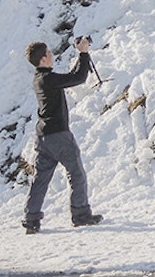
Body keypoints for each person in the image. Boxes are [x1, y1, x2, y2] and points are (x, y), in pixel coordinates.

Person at [22, 36, 103, 234]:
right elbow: (77, 78)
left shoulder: (39, 79)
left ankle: (31, 219)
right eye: (48, 54)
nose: (51, 56)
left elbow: (71, 76)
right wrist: (83, 53)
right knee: (76, 173)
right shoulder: (48, 79)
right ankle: (80, 214)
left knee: (41, 178)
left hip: (43, 137)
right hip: (59, 135)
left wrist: (81, 56)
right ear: (42, 59)